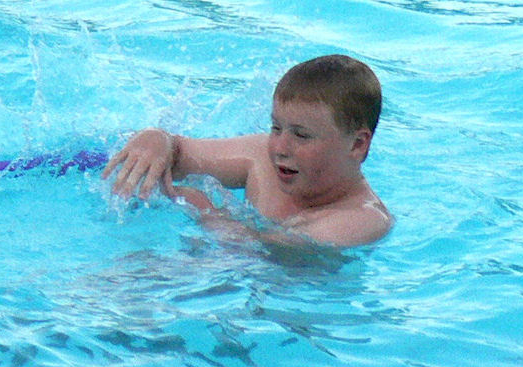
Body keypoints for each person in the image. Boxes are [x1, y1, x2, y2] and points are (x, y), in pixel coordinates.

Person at [103, 53, 393, 249]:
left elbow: (263, 255)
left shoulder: (364, 220)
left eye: (301, 135)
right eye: (276, 127)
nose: (279, 147)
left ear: (357, 144)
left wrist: (201, 207)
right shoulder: (260, 157)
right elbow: (178, 152)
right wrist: (156, 140)